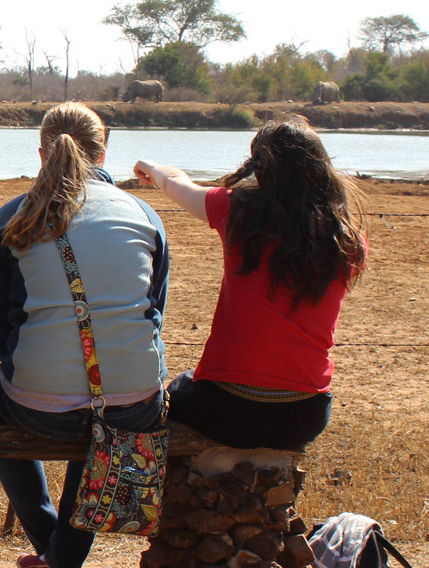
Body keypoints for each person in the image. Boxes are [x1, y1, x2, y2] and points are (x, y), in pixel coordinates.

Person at [0, 102, 169, 568]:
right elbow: (154, 315)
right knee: (107, 412)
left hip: (39, 410)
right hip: (136, 406)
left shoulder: (9, 218)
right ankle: (59, 556)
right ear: (104, 150)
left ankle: (50, 546)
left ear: (42, 154)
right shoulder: (143, 213)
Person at [132, 117, 367, 451]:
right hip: (305, 414)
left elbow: (178, 185)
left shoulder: (237, 211)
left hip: (227, 408)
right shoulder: (346, 239)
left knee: (177, 389)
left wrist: (153, 169)